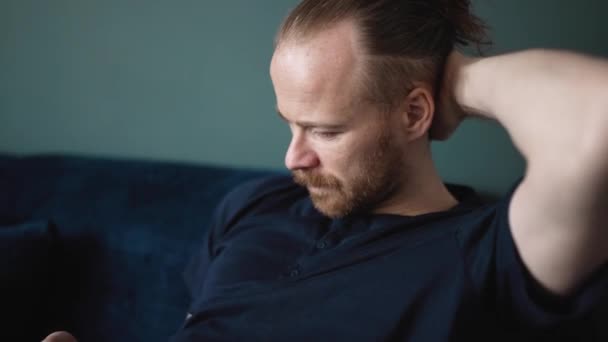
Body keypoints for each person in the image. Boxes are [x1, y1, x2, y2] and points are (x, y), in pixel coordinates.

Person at [45, 0, 608, 341]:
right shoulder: (254, 204)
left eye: (325, 130)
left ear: (415, 112)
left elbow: (596, 118)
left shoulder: (484, 260)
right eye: (290, 124)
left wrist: (457, 80)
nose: (294, 157)